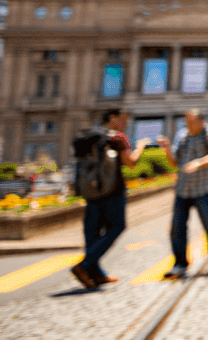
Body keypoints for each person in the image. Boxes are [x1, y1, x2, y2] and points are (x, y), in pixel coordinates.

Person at [71, 109, 146, 288]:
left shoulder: (89, 136)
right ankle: (85, 265)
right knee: (117, 226)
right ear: (112, 119)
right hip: (113, 191)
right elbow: (130, 162)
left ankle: (96, 274)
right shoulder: (117, 138)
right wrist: (141, 147)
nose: (125, 125)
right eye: (123, 120)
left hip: (91, 192)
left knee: (93, 232)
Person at [158, 109, 208, 278]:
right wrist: (167, 149)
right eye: (186, 122)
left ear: (201, 122)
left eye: (191, 122)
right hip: (183, 189)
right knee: (177, 228)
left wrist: (198, 163)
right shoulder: (182, 135)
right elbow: (175, 162)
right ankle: (180, 264)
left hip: (203, 188)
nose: (188, 125)